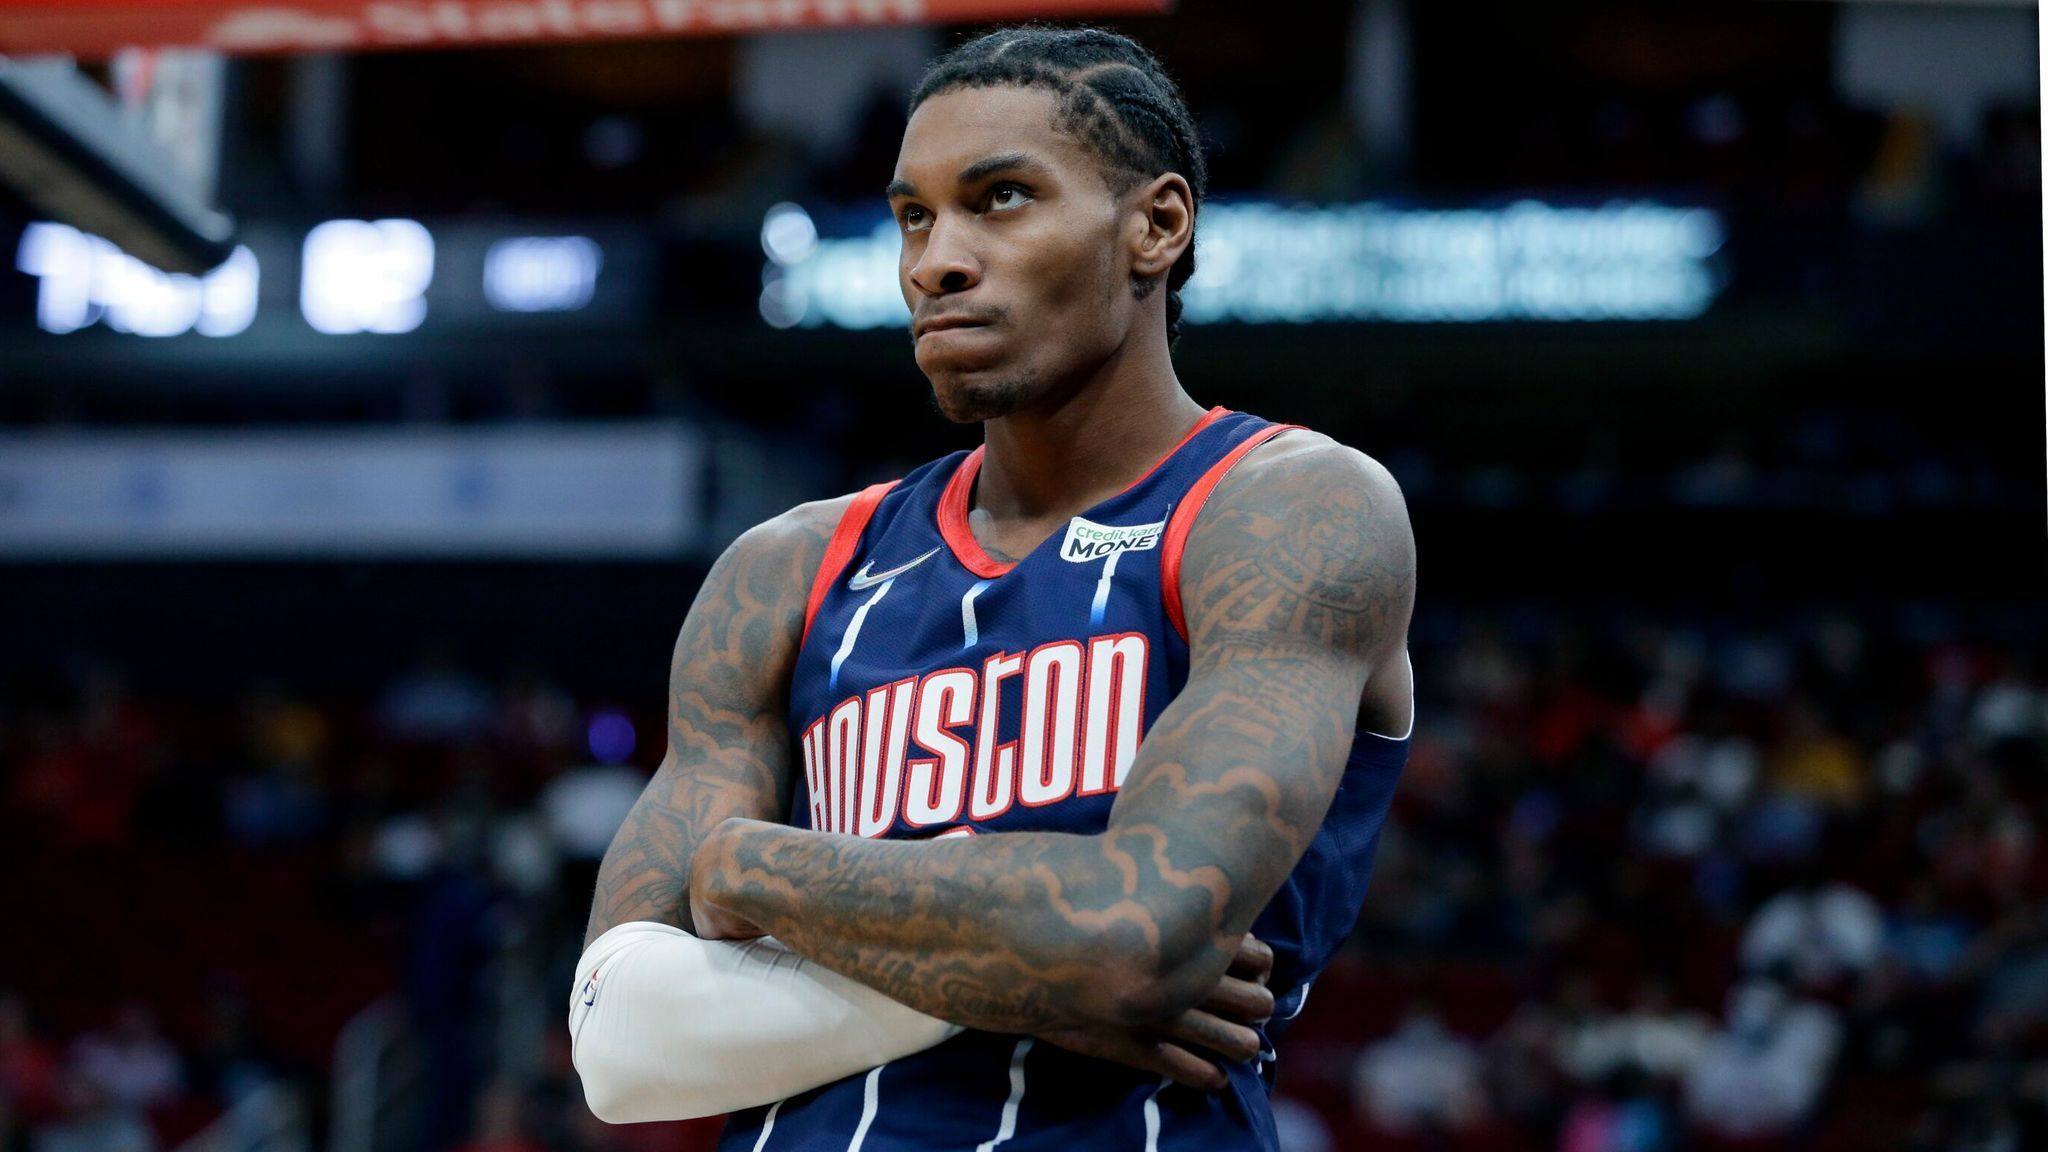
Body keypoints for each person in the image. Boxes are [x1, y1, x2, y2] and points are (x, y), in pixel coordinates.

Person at [567, 25, 1417, 1151]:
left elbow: (1134, 944)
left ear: (1157, 225)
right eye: (914, 216)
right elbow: (620, 1041)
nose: (936, 261)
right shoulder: (785, 566)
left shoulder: (1288, 509)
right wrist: (1034, 969)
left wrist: (744, 864)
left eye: (1000, 199)